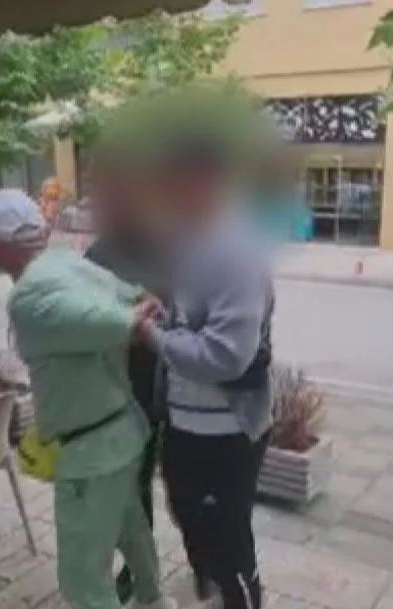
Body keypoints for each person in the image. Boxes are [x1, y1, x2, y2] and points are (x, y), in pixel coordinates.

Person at [0, 188, 174, 609]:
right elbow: (137, 300)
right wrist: (135, 314)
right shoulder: (66, 261)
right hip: (122, 433)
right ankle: (155, 601)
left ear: (0, 244)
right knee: (133, 535)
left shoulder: (28, 297)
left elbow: (118, 322)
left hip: (92, 453)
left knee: (83, 582)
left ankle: (153, 599)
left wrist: (131, 320)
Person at [138, 138, 275, 609]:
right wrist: (160, 310)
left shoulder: (234, 249)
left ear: (205, 183)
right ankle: (217, 589)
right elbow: (188, 313)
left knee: (227, 543)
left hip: (226, 428)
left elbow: (226, 354)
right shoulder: (189, 238)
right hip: (187, 420)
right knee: (191, 519)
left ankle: (240, 597)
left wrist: (152, 338)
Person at [83, 155, 169, 604]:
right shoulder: (97, 253)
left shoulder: (160, 248)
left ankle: (140, 570)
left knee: (135, 486)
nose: (99, 202)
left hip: (144, 387)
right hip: (103, 389)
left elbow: (162, 316)